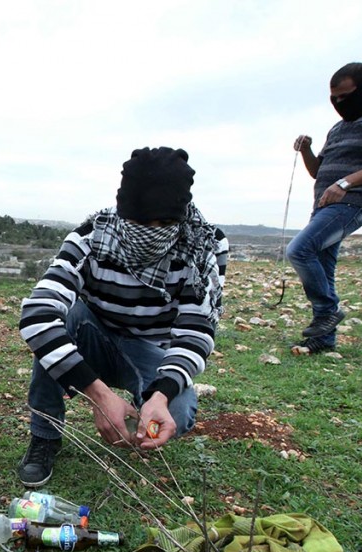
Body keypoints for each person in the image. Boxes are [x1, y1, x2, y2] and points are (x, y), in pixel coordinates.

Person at [16, 147, 227, 487]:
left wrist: (161, 394)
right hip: (91, 333)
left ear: (181, 216)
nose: (150, 232)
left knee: (178, 412)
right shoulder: (90, 239)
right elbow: (37, 316)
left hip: (147, 348)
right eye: (139, 222)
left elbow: (196, 330)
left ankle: (142, 409)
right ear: (122, 210)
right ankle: (45, 434)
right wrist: (99, 396)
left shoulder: (202, 247)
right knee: (58, 323)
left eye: (164, 224)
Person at [288, 62, 362, 353]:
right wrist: (305, 150)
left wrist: (344, 184)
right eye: (335, 99)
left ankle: (328, 310)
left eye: (345, 96)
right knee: (324, 268)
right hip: (325, 204)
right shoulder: (339, 127)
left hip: (353, 202)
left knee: (299, 250)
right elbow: (319, 171)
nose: (340, 103)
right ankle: (323, 340)